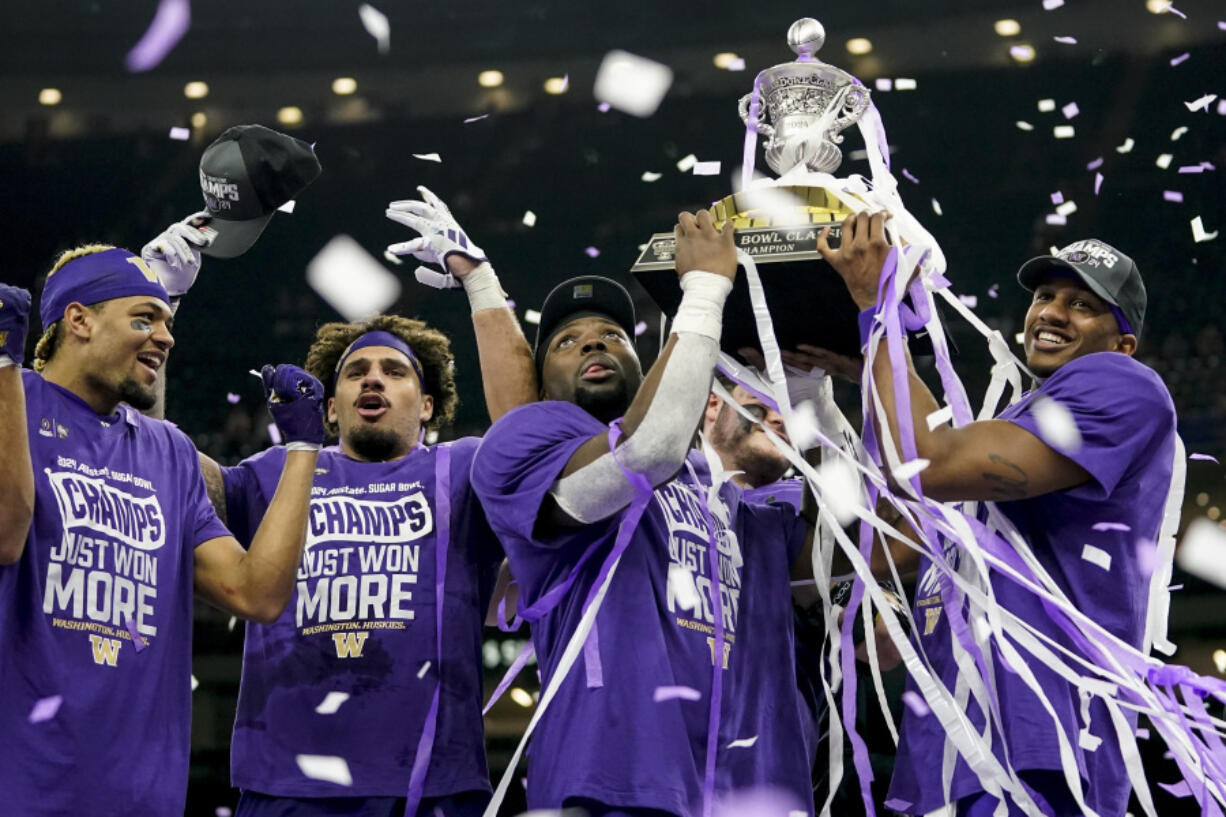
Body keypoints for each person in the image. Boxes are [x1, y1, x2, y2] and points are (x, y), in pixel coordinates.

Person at [808, 213, 1176, 817]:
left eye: (1083, 304)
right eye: (1045, 296)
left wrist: (879, 316)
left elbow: (926, 465)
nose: (1052, 312)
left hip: (1039, 749)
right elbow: (894, 534)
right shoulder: (1015, 425)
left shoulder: (1124, 386)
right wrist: (849, 375)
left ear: (1123, 342)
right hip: (948, 757)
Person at [198, 187, 537, 817]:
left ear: (429, 406)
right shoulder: (277, 471)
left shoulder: (458, 468)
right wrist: (153, 305)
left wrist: (480, 281)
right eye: (355, 373)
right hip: (286, 787)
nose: (373, 378)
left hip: (431, 784)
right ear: (329, 408)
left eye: (395, 370)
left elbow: (528, 428)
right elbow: (165, 467)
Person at [471, 210, 816, 817]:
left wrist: (827, 377)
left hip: (732, 791)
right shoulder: (525, 442)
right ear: (543, 382)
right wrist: (706, 290)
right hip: (610, 780)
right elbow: (644, 452)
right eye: (567, 342)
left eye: (614, 335)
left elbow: (852, 552)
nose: (595, 343)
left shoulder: (725, 496)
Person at [0, 232, 324, 817]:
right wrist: (2, 368)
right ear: (79, 320)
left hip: (142, 795)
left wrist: (302, 447)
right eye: (145, 319)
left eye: (168, 322)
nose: (167, 337)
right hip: (21, 784)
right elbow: (4, 530)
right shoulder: (13, 399)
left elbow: (258, 593)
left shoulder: (168, 450)